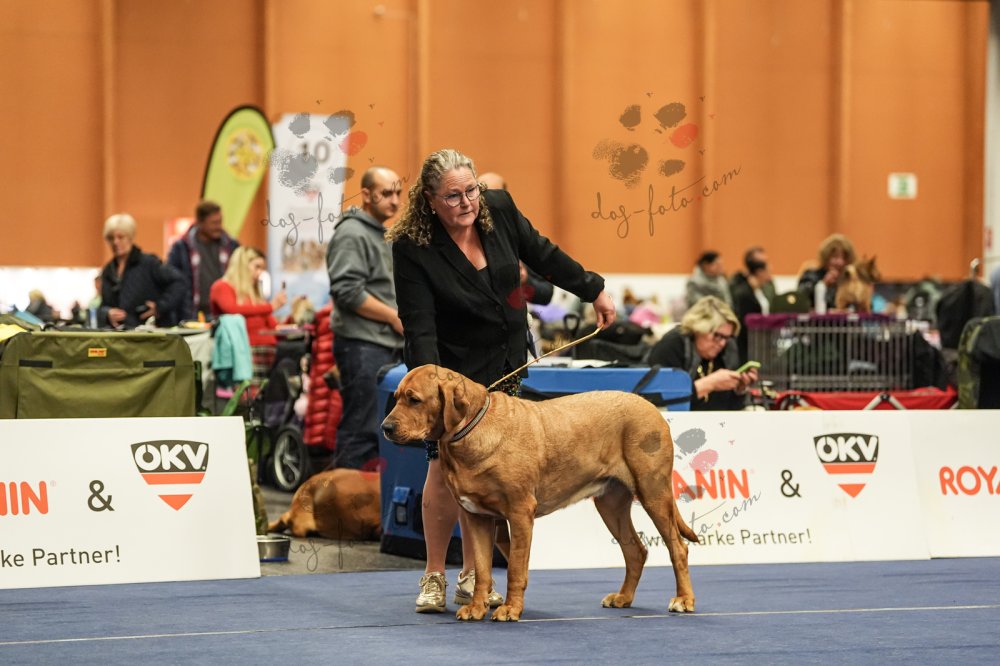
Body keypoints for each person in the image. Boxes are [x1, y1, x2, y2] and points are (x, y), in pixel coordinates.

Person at [389, 148, 615, 614]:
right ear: (430, 199)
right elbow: (419, 324)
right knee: (444, 469)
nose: (467, 203)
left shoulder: (500, 208)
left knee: (498, 475)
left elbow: (544, 255)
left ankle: (475, 576)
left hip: (504, 365)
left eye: (471, 191)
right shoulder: (412, 247)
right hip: (451, 376)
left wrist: (593, 288)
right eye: (453, 196)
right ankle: (434, 574)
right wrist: (433, 391)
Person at [326, 166, 405, 470]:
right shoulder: (352, 233)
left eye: (398, 193)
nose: (395, 200)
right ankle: (345, 497)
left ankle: (367, 496)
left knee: (375, 430)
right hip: (362, 346)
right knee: (360, 431)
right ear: (367, 195)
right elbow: (347, 291)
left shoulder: (380, 233)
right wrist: (393, 317)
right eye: (386, 193)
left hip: (381, 345)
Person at [647, 296, 758, 410]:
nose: (722, 343)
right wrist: (709, 384)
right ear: (698, 329)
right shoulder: (673, 344)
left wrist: (739, 389)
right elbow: (659, 400)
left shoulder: (727, 350)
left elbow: (730, 407)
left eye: (727, 337)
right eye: (717, 335)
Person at [210, 246, 288, 380]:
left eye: (262, 269)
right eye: (257, 267)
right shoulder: (222, 287)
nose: (260, 273)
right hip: (244, 353)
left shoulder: (255, 294)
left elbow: (273, 326)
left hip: (269, 351)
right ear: (242, 265)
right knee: (250, 393)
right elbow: (232, 309)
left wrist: (293, 321)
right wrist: (270, 306)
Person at [99, 213, 184, 329]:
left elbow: (179, 282)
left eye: (121, 237)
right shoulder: (108, 271)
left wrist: (160, 307)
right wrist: (107, 313)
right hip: (120, 333)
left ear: (130, 237)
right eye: (111, 238)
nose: (115, 242)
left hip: (151, 332)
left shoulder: (149, 263)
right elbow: (104, 304)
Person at [167, 200, 239, 323]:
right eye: (214, 223)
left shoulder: (231, 246)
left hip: (224, 314)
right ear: (200, 223)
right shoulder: (181, 248)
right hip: (190, 315)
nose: (218, 226)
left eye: (220, 221)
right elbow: (172, 281)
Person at [797, 233, 856, 313]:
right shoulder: (811, 275)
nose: (840, 262)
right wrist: (823, 283)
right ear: (826, 257)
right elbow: (800, 298)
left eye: (844, 258)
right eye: (835, 257)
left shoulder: (851, 280)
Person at [730, 255, 773, 363]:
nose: (770, 275)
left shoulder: (761, 290)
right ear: (759, 272)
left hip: (760, 339)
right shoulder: (744, 293)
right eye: (768, 271)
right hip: (748, 343)